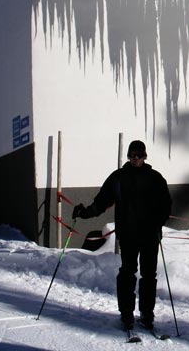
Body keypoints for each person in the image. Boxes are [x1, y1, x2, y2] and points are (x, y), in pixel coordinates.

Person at [72, 140, 171, 331]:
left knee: (149, 274)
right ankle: (126, 313)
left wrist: (159, 221)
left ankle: (147, 313)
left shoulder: (155, 178)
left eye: (139, 155)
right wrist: (86, 212)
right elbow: (101, 202)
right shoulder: (118, 178)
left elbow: (166, 203)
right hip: (128, 234)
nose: (135, 158)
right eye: (132, 154)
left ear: (145, 156)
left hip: (150, 234)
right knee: (128, 272)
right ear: (128, 155)